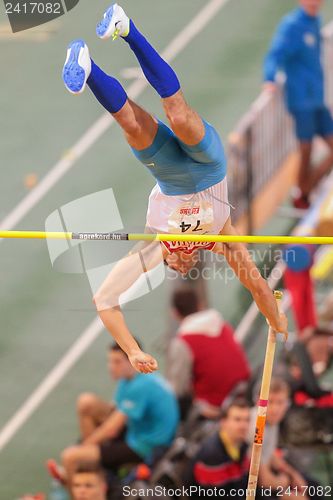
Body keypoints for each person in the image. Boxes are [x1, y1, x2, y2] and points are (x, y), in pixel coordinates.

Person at [62, 3, 288, 373]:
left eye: (175, 264)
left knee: (141, 121)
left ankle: (99, 54)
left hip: (167, 171)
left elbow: (104, 300)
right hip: (209, 167)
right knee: (168, 117)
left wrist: (132, 350)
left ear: (167, 260)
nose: (181, 262)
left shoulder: (153, 247)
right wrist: (276, 319)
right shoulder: (221, 238)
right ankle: (107, 47)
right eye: (186, 263)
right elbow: (258, 288)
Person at [47, 342, 179, 487]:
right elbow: (115, 409)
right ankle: (95, 471)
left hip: (147, 446)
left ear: (132, 360)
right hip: (139, 428)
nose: (111, 367)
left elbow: (111, 429)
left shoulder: (140, 386)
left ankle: (84, 478)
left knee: (70, 457)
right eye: (109, 361)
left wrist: (83, 449)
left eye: (117, 362)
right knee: (87, 403)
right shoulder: (134, 376)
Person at [263, 0, 333, 209]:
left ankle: (307, 187)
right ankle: (302, 193)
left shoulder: (314, 21)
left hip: (317, 98)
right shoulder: (292, 25)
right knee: (306, 148)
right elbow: (275, 53)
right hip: (301, 99)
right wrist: (269, 78)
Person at [167, 287, 250, 419]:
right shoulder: (222, 325)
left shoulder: (183, 342)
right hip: (245, 392)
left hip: (215, 407)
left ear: (175, 313)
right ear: (200, 305)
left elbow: (177, 388)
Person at [249, 378, 321, 500]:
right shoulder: (257, 427)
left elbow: (270, 454)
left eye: (280, 402)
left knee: (315, 487)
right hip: (251, 487)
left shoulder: (272, 421)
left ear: (287, 403)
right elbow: (264, 481)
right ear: (258, 402)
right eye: (270, 402)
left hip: (268, 475)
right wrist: (287, 481)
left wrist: (292, 473)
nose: (275, 409)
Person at [184, 398, 250, 498]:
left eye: (247, 420)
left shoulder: (242, 445)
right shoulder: (212, 454)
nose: (243, 425)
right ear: (223, 422)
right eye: (237, 419)